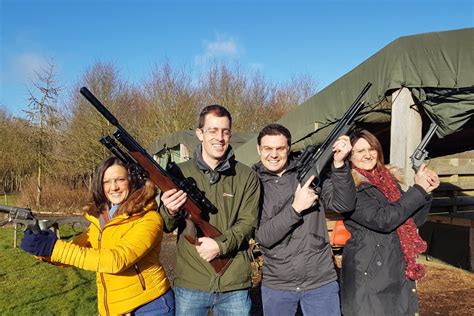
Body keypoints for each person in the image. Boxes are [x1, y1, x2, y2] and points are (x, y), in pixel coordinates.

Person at [21, 156, 174, 316]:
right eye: (106, 182)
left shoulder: (149, 219)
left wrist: (54, 248)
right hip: (114, 309)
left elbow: (117, 260)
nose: (113, 187)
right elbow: (76, 250)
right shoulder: (102, 219)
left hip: (150, 307)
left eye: (119, 180)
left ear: (132, 181)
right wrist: (42, 249)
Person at [159, 104, 260, 315]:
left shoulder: (246, 176)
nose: (219, 137)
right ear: (200, 134)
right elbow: (166, 225)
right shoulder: (179, 173)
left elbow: (248, 223)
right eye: (212, 130)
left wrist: (220, 246)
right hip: (191, 283)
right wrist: (169, 210)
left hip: (234, 284)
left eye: (225, 131)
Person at [253, 123, 356, 316]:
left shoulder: (309, 173)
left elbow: (344, 205)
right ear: (259, 149)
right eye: (267, 148)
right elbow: (263, 236)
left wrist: (340, 166)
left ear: (289, 148)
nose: (273, 155)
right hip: (278, 285)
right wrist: (296, 208)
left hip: (320, 282)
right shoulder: (252, 183)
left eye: (280, 148)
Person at [340, 129, 440, 316]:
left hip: (396, 265)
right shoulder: (350, 188)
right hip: (370, 271)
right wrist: (417, 190)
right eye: (360, 151)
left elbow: (413, 220)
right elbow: (384, 220)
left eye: (371, 149)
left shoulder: (388, 181)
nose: (367, 155)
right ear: (349, 156)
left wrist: (426, 192)